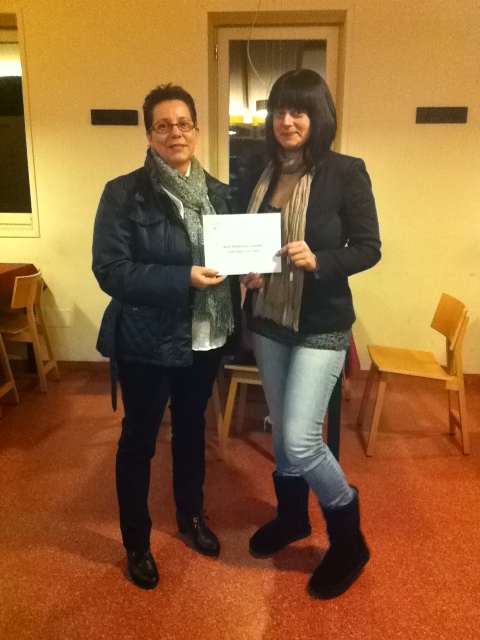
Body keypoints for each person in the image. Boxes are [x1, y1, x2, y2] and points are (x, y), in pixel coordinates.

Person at [92, 84, 240, 590]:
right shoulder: (123, 193)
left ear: (196, 131)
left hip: (205, 335)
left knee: (192, 429)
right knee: (139, 439)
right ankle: (136, 541)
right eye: (163, 125)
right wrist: (182, 279)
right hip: (147, 338)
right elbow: (111, 270)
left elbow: (234, 256)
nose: (174, 133)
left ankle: (191, 516)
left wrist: (250, 274)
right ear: (150, 134)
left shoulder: (220, 194)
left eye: (183, 124)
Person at [241, 69, 381, 600]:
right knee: (282, 434)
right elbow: (253, 241)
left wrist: (320, 259)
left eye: (298, 110)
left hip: (321, 323)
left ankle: (349, 539)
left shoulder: (346, 172)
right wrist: (252, 270)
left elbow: (368, 247)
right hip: (269, 320)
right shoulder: (261, 171)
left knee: (302, 440)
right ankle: (293, 519)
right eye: (279, 110)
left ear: (318, 116)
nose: (287, 120)